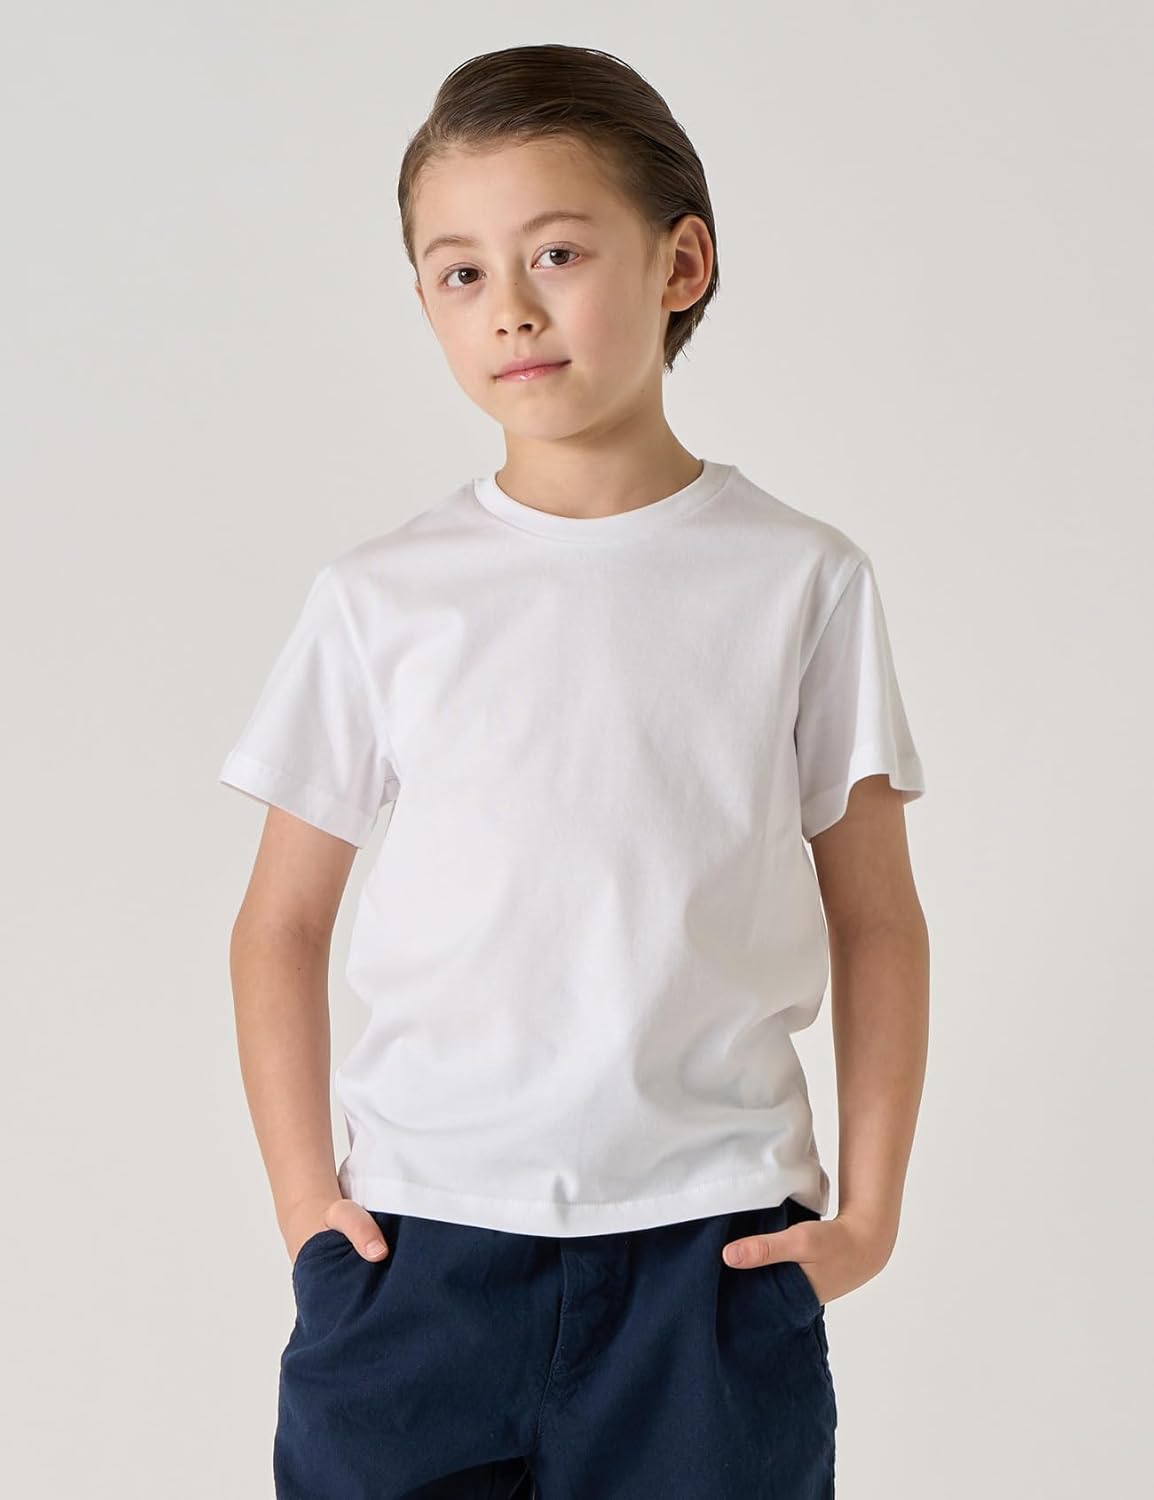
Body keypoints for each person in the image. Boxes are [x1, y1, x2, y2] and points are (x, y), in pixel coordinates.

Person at [218, 42, 929, 1500]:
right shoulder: (383, 597)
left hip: (708, 1258)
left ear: (681, 264)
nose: (512, 307)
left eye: (555, 251)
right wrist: (305, 1207)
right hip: (415, 1253)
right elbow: (279, 922)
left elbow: (876, 917)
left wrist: (867, 1215)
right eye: (459, 272)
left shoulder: (799, 579)